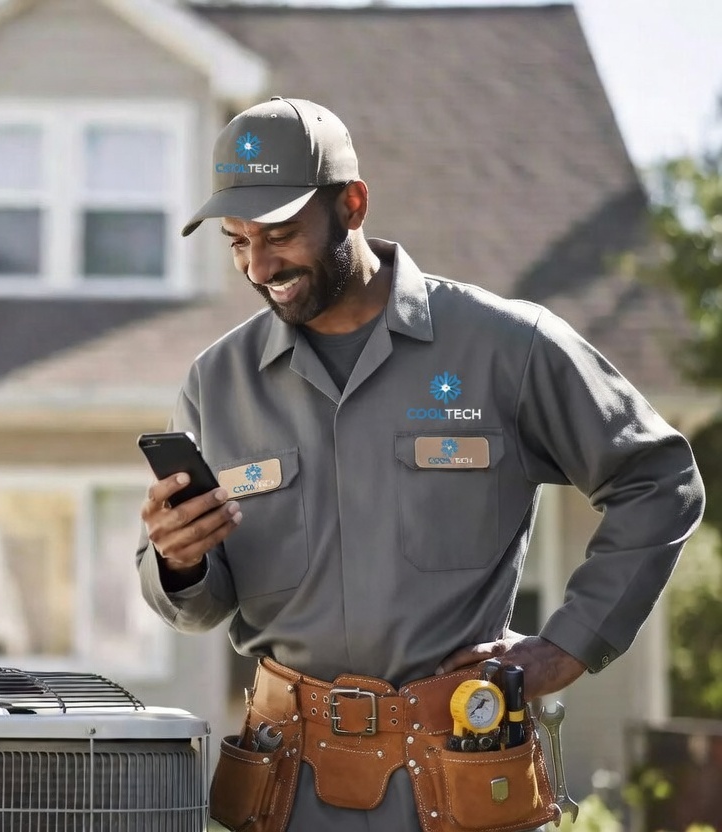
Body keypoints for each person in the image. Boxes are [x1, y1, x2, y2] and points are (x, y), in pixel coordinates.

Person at [135, 97, 705, 831]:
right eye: (238, 242)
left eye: (280, 234)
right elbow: (198, 604)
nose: (260, 265)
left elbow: (658, 479)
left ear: (352, 203)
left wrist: (568, 646)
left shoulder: (507, 346)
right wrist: (177, 562)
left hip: (461, 772)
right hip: (283, 787)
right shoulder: (215, 383)